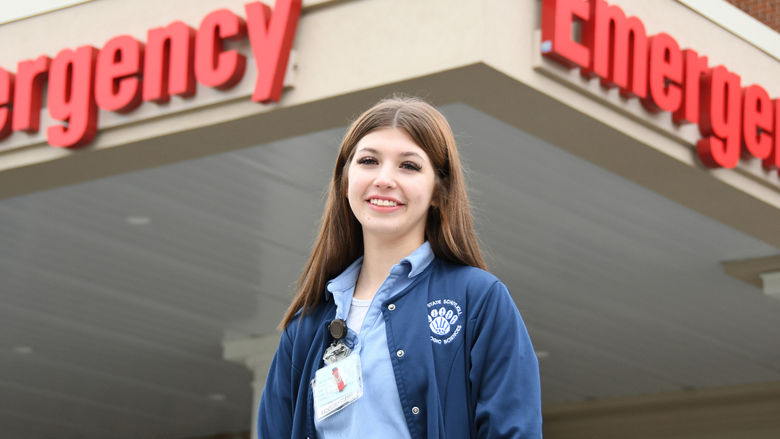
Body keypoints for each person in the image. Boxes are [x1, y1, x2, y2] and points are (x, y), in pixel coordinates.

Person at [257, 96, 542, 438]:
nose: (384, 179)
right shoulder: (306, 325)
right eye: (368, 161)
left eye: (408, 165)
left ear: (440, 190)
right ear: (345, 179)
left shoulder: (478, 299)